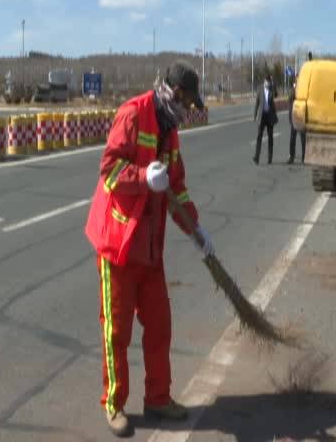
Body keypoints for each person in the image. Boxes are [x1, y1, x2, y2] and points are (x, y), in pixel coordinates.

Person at [85, 61, 215, 438]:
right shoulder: (133, 114)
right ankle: (114, 403)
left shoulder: (170, 131)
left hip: (150, 247)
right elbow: (108, 171)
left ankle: (158, 398)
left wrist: (196, 229)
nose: (189, 112)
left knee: (159, 327)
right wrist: (142, 177)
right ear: (173, 94)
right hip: (119, 244)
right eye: (188, 104)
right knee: (117, 331)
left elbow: (177, 187)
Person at [253, 73, 278, 164]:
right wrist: (255, 115)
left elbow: (276, 95)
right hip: (262, 116)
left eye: (269, 82)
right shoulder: (260, 89)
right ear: (264, 81)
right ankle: (256, 156)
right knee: (259, 136)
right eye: (266, 82)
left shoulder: (272, 88)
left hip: (269, 116)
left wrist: (273, 84)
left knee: (270, 137)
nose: (267, 84)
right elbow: (257, 103)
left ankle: (269, 157)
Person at [287, 78, 306, 164]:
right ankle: (291, 156)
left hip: (301, 117)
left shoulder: (304, 90)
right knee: (292, 138)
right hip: (294, 117)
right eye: (296, 81)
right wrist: (295, 89)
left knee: (303, 139)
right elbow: (290, 99)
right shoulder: (293, 90)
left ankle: (304, 157)